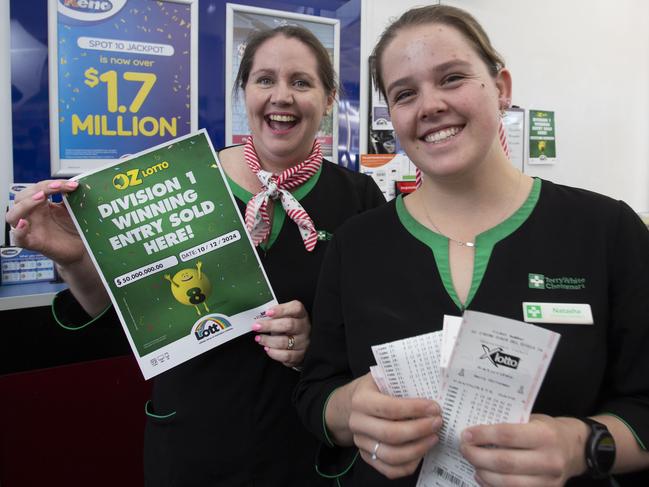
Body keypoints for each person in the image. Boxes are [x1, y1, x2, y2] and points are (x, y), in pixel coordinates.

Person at [6, 25, 385, 486]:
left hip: (301, 449)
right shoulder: (184, 181)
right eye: (264, 80)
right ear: (243, 92)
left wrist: (315, 349)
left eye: (301, 82)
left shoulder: (359, 199)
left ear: (328, 100)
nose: (281, 96)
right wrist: (73, 258)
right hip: (193, 444)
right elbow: (118, 314)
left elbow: (376, 335)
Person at [294, 5, 649, 486]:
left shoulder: (607, 231)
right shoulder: (358, 244)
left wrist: (581, 445)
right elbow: (316, 392)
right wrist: (349, 410)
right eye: (405, 93)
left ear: (501, 87)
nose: (430, 105)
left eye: (452, 78)